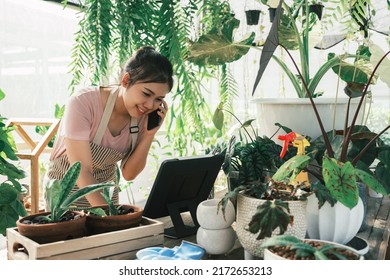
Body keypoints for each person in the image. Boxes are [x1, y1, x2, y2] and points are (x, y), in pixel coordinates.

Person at [46, 46, 174, 207]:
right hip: (66, 197)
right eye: (146, 94)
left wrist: (149, 134)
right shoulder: (83, 102)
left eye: (158, 99)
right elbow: (81, 170)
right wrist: (110, 215)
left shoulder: (142, 116)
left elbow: (129, 173)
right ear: (126, 80)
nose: (150, 105)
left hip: (106, 197)